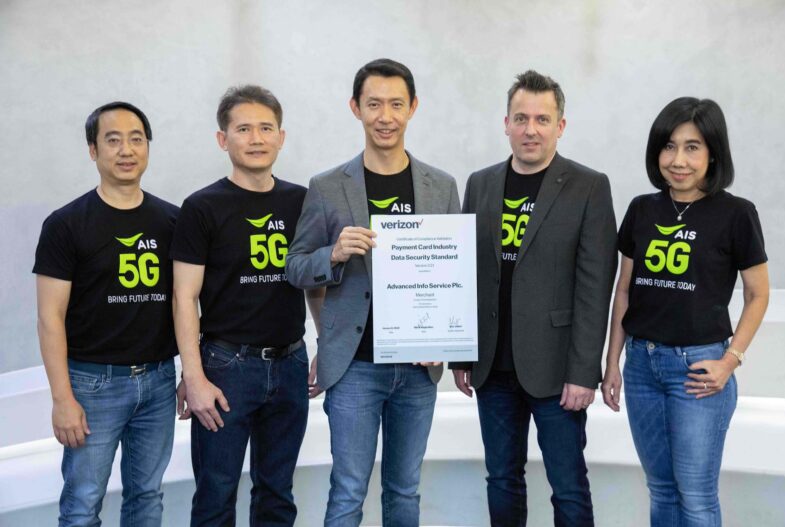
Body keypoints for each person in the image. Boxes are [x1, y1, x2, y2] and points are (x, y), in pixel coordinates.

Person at [286, 58, 460, 526]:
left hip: (418, 369)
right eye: (374, 104)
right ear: (356, 108)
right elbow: (295, 267)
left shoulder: (442, 187)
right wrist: (334, 254)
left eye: (396, 104)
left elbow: (454, 274)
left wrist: (445, 341)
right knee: (348, 492)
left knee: (404, 491)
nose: (386, 116)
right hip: (355, 367)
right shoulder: (327, 187)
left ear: (413, 108)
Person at [450, 70, 617, 527]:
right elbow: (465, 273)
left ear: (560, 126)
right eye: (521, 118)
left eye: (542, 119)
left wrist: (583, 371)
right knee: (502, 479)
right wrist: (461, 353)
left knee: (568, 487)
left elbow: (595, 288)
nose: (531, 129)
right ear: (506, 123)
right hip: (492, 367)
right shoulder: (480, 183)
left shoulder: (588, 186)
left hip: (557, 371)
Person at [601, 97, 769, 526]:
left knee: (695, 496)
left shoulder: (736, 214)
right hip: (641, 366)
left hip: (698, 372)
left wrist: (731, 360)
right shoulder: (643, 209)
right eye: (669, 146)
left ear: (713, 152)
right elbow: (625, 290)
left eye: (692, 147)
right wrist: (613, 362)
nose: (678, 160)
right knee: (661, 489)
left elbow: (758, 294)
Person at [171, 85, 322, 526]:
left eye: (266, 128)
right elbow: (184, 297)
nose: (256, 138)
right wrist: (193, 377)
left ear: (281, 137)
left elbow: (314, 283)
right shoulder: (202, 207)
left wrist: (327, 345)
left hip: (291, 364)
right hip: (226, 368)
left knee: (277, 494)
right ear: (223, 139)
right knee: (216, 495)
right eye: (243, 129)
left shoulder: (302, 201)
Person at [33, 102, 179, 527]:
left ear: (147, 147)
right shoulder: (65, 224)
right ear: (93, 151)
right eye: (113, 140)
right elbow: (49, 317)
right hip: (92, 385)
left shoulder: (172, 220)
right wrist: (62, 399)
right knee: (83, 504)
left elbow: (186, 302)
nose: (126, 150)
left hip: (158, 380)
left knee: (147, 497)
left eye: (136, 139)